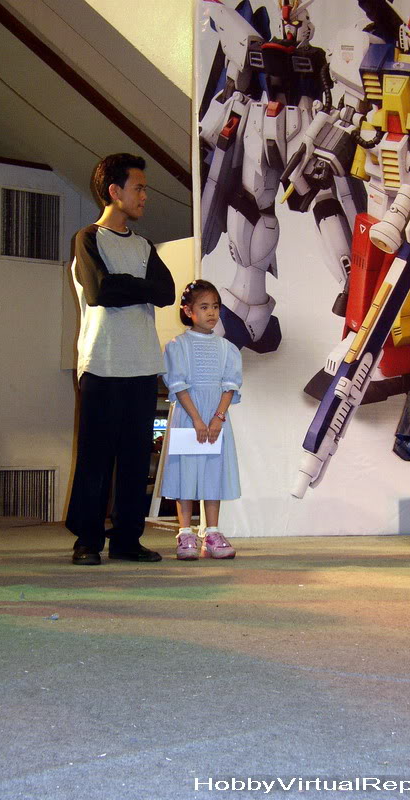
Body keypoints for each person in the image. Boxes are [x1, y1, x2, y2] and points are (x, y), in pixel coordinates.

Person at [66, 153, 175, 565]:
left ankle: (127, 539)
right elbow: (99, 292)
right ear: (115, 191)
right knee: (95, 457)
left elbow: (166, 293)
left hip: (143, 365)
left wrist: (124, 284)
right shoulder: (88, 238)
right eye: (139, 187)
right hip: (102, 363)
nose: (145, 196)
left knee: (134, 458)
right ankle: (87, 540)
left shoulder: (144, 246)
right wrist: (138, 286)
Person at [161, 279, 242, 560]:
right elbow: (178, 385)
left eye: (215, 307)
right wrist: (196, 418)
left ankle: (212, 532)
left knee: (212, 472)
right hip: (188, 417)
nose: (211, 313)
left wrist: (218, 417)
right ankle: (185, 533)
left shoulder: (227, 348)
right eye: (204, 307)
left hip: (215, 419)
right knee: (186, 471)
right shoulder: (177, 346)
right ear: (188, 311)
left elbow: (230, 385)